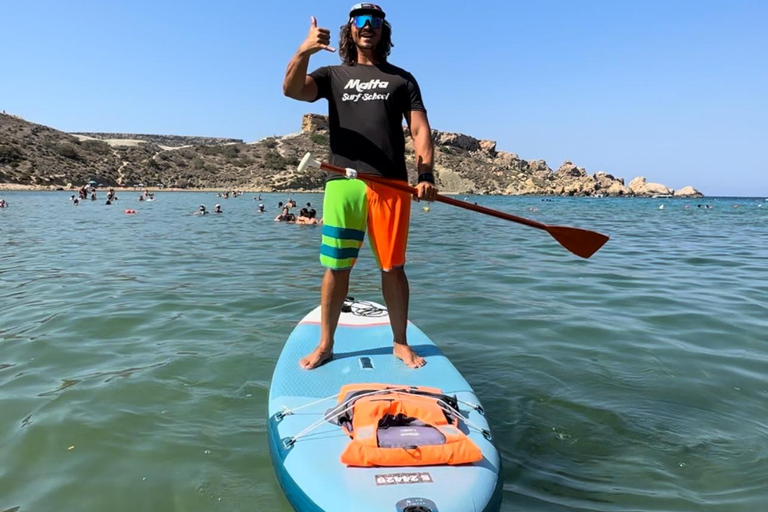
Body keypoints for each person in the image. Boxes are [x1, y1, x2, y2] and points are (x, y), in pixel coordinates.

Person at [283, 3, 437, 369]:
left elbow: (419, 129)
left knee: (393, 267)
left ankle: (399, 342)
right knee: (336, 267)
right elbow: (292, 90)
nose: (368, 26)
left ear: (384, 30)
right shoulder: (332, 74)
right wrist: (303, 51)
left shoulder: (402, 79)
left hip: (392, 186)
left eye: (376, 21)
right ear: (350, 29)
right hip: (343, 184)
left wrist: (426, 174)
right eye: (360, 20)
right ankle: (325, 344)